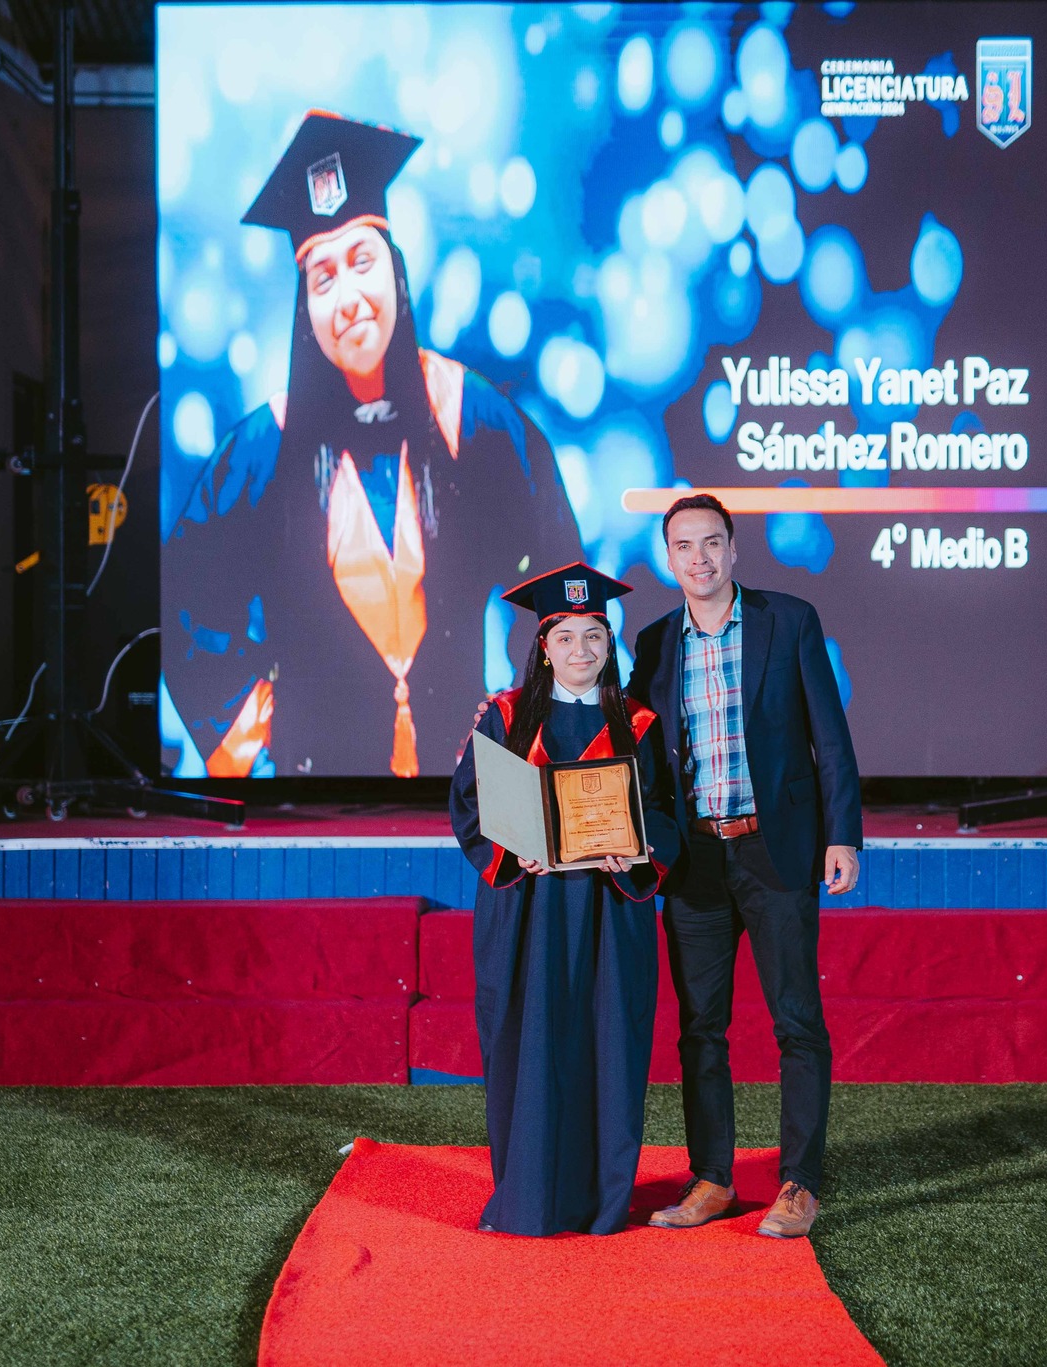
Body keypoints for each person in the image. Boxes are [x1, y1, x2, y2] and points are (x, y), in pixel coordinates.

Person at [162, 112, 582, 779]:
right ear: (305, 307)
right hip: (318, 787)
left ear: (396, 272)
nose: (349, 298)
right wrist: (266, 736)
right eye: (323, 278)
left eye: (362, 262)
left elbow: (560, 574)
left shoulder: (472, 418)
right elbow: (190, 601)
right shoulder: (263, 450)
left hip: (465, 786)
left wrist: (522, 719)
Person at [625, 494, 862, 1240]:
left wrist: (843, 835)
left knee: (797, 1021)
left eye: (711, 543)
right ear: (669, 559)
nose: (698, 558)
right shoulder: (653, 645)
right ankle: (713, 1179)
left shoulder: (788, 620)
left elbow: (831, 736)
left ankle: (800, 1184)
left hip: (776, 849)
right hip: (694, 860)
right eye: (683, 546)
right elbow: (629, 749)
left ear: (733, 549)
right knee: (701, 1028)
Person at [449, 563, 681, 1235]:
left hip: (609, 912)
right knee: (528, 1045)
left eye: (594, 637)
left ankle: (602, 1202)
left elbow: (664, 813)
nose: (582, 650)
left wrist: (638, 849)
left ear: (610, 645)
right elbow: (470, 803)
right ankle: (528, 1198)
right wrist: (511, 849)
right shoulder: (506, 716)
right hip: (529, 911)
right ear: (544, 648)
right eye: (567, 638)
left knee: (606, 1047)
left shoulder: (637, 723)